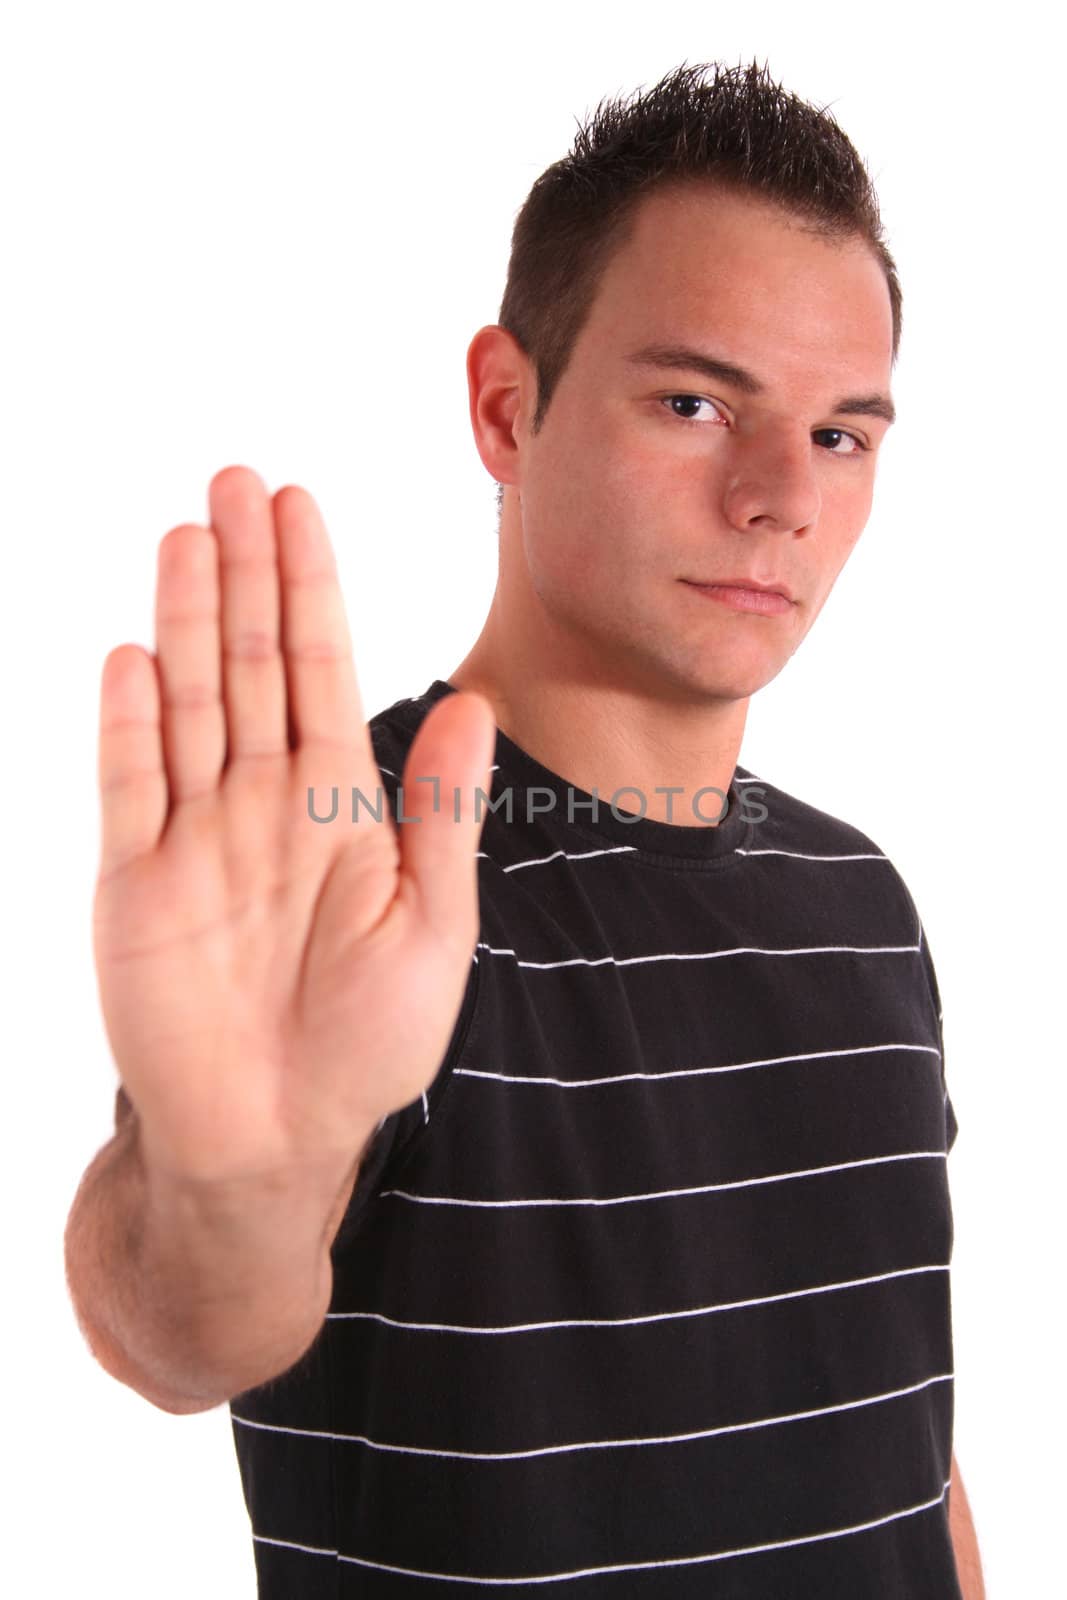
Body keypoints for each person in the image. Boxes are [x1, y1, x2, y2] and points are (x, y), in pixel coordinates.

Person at [63, 59, 986, 1598]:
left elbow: (905, 1446)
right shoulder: (352, 862)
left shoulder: (860, 898)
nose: (779, 498)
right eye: (694, 402)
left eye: (843, 435)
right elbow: (176, 1328)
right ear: (507, 406)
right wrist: (235, 1186)